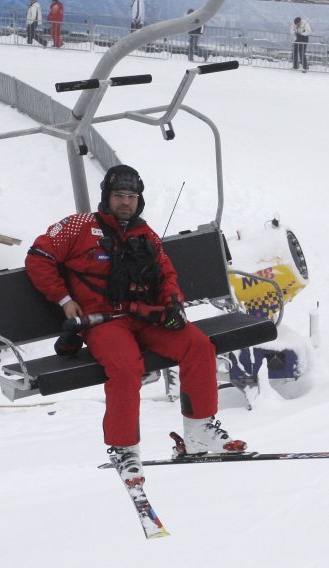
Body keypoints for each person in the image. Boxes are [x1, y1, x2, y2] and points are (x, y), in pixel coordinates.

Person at [25, 165, 247, 488]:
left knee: (197, 345)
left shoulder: (145, 236)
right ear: (107, 197)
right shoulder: (78, 227)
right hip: (103, 322)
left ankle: (199, 430)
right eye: (119, 196)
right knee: (126, 366)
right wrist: (63, 299)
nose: (126, 203)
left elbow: (167, 275)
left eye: (131, 196)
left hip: (143, 316)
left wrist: (172, 304)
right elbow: (38, 256)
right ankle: (124, 448)